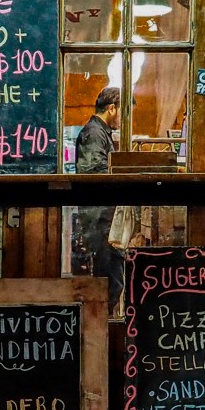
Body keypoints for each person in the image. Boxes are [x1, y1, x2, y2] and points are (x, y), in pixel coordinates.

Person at [74, 85, 124, 311]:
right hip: (98, 217)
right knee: (108, 279)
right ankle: (101, 326)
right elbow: (92, 171)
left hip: (102, 215)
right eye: (124, 113)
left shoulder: (99, 132)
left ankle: (103, 323)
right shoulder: (94, 133)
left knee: (113, 277)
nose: (123, 119)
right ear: (112, 108)